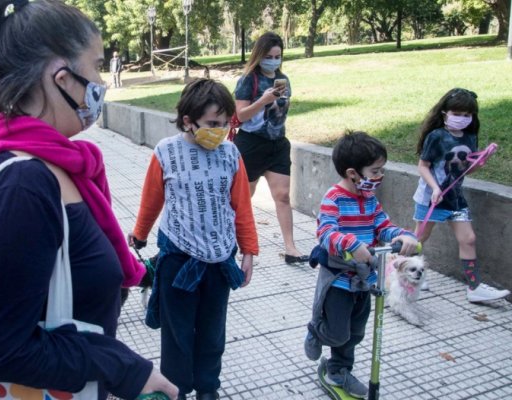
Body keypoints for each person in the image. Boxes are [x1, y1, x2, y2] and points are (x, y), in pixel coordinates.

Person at [0, 0, 178, 398]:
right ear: (61, 78)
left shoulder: (50, 163)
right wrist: (124, 368)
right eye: (96, 65)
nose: (102, 81)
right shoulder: (22, 187)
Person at [129, 78, 259, 400]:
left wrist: (248, 252)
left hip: (219, 263)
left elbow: (241, 206)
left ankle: (207, 390)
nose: (220, 131)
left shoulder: (231, 154)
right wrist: (139, 236)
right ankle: (177, 391)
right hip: (178, 263)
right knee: (178, 336)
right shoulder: (166, 153)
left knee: (212, 335)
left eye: (225, 123)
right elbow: (151, 200)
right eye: (213, 124)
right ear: (189, 121)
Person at [303, 131, 419, 399]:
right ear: (353, 173)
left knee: (355, 332)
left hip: (365, 280)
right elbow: (326, 233)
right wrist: (351, 244)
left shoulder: (370, 200)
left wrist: (403, 236)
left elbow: (384, 226)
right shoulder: (334, 199)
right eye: (376, 171)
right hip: (339, 280)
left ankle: (338, 370)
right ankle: (316, 330)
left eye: (382, 170)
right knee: (336, 332)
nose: (380, 176)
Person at [412, 88, 510, 303]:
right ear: (445, 112)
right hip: (431, 198)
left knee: (469, 239)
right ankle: (409, 277)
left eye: (467, 115)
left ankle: (474, 287)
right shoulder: (436, 136)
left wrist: (479, 163)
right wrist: (435, 188)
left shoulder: (470, 137)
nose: (462, 119)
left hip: (455, 199)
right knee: (418, 239)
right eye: (457, 113)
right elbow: (423, 166)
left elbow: (464, 170)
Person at [233, 32, 307, 265]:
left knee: (283, 196)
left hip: (277, 145)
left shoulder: (283, 79)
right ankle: (237, 244)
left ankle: (290, 248)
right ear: (259, 55)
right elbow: (240, 116)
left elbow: (282, 112)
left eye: (278, 56)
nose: (274, 60)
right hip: (251, 144)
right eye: (269, 56)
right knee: (243, 198)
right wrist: (263, 101)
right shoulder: (248, 80)